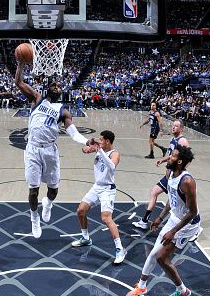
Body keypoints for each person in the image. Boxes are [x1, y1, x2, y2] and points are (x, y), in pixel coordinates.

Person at [15, 61, 97, 238]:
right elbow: (19, 83)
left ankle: (49, 203)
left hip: (50, 151)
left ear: (62, 91)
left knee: (53, 189)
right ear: (47, 89)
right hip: (33, 150)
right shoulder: (37, 99)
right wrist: (21, 64)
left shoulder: (63, 111)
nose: (57, 87)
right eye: (53, 85)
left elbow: (74, 134)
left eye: (59, 86)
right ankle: (34, 219)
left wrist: (86, 141)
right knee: (33, 189)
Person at [125, 145, 200, 296]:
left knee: (162, 258)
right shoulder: (171, 174)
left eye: (172, 156)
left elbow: (192, 212)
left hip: (187, 225)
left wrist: (173, 231)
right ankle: (142, 286)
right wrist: (160, 217)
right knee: (153, 253)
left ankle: (182, 290)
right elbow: (172, 198)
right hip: (175, 218)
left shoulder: (187, 181)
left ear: (179, 161)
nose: (169, 158)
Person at [71, 130, 127, 264]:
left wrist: (99, 150)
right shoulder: (99, 148)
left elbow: (112, 166)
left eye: (101, 140)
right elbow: (84, 150)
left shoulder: (115, 153)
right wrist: (89, 145)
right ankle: (86, 238)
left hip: (108, 189)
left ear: (107, 141)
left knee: (106, 218)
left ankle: (120, 249)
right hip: (97, 187)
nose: (99, 141)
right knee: (80, 211)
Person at [133, 119, 190, 229]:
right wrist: (163, 160)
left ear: (181, 129)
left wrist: (179, 173)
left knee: (177, 204)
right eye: (173, 125)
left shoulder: (182, 141)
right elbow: (172, 155)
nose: (173, 127)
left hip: (175, 177)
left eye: (176, 126)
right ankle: (144, 221)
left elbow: (189, 159)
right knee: (154, 192)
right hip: (168, 176)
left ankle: (190, 225)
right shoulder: (173, 139)